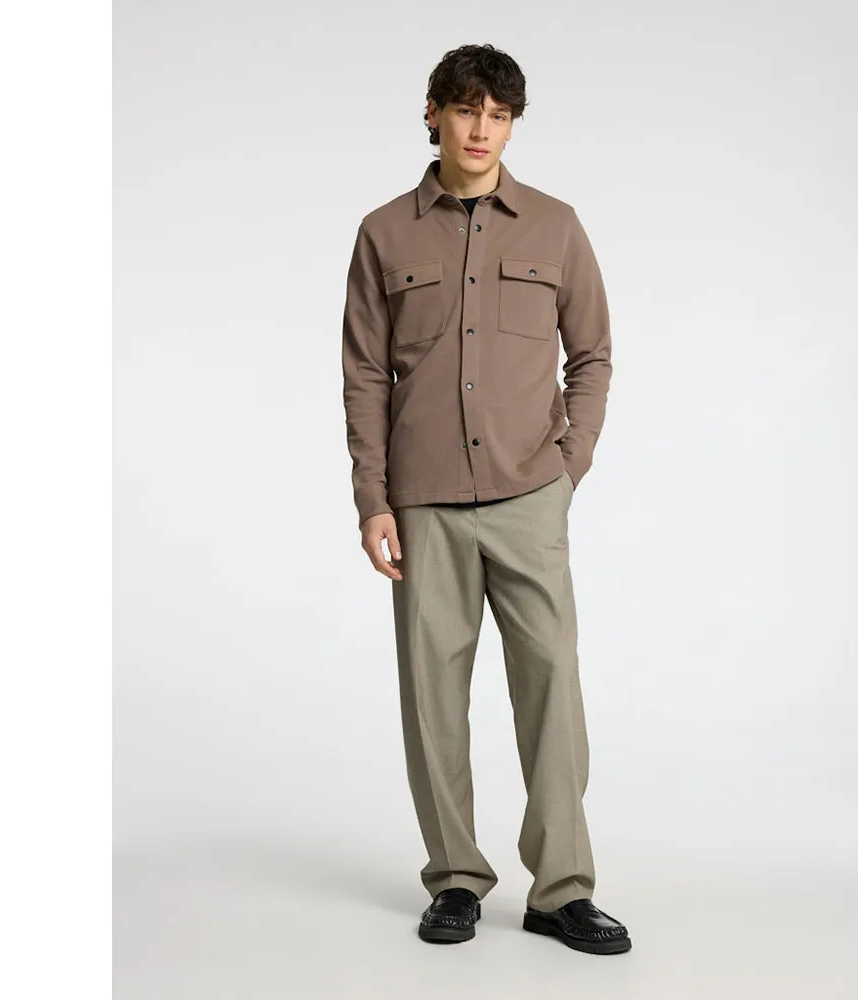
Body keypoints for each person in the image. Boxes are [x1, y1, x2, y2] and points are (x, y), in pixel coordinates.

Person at [340, 43, 629, 956]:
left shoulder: (555, 226)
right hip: (422, 500)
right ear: (433, 113)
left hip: (528, 494)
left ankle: (562, 889)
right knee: (433, 698)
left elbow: (593, 355)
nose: (481, 130)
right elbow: (363, 376)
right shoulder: (383, 234)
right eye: (466, 110)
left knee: (552, 689)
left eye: (499, 116)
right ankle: (456, 879)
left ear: (512, 125)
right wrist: (373, 498)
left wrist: (569, 465)